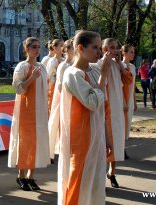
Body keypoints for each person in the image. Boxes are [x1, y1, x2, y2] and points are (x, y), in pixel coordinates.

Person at [58, 30, 111, 205]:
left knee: (95, 185)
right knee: (78, 184)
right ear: (80, 48)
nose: (99, 51)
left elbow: (102, 108)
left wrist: (107, 138)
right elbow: (93, 102)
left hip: (96, 137)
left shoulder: (94, 70)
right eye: (95, 47)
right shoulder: (72, 74)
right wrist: (103, 75)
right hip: (81, 141)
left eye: (100, 47)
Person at [8, 37, 50, 191]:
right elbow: (18, 89)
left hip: (40, 111)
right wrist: (32, 77)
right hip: (26, 111)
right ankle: (21, 176)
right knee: (25, 143)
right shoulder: (22, 66)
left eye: (38, 46)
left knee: (38, 143)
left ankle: (31, 176)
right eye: (33, 47)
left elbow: (46, 88)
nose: (37, 49)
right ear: (26, 49)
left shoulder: (42, 67)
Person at [98, 38, 133, 188]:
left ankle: (112, 173)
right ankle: (100, 173)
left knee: (117, 139)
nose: (115, 50)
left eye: (116, 47)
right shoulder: (98, 64)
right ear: (104, 49)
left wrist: (119, 63)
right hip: (104, 108)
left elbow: (129, 80)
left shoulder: (120, 65)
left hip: (117, 107)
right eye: (112, 48)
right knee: (104, 142)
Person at [48, 39, 75, 163]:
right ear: (67, 50)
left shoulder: (73, 64)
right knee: (57, 124)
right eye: (73, 48)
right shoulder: (61, 65)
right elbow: (54, 82)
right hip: (61, 97)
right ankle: (53, 151)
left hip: (73, 99)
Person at [121, 45, 137, 159]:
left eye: (133, 52)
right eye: (131, 52)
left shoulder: (132, 67)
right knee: (120, 125)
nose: (133, 54)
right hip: (121, 100)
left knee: (127, 124)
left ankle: (123, 148)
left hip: (130, 100)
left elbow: (133, 86)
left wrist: (134, 102)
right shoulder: (119, 66)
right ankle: (120, 149)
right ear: (124, 53)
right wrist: (123, 101)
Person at [46, 39, 64, 114]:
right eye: (61, 46)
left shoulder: (64, 60)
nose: (64, 47)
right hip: (54, 88)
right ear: (55, 48)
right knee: (54, 109)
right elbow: (48, 77)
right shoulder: (52, 61)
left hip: (63, 87)